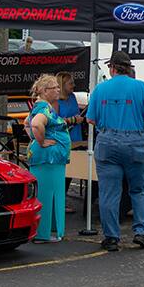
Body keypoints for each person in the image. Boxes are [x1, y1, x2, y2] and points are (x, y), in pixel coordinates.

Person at [86, 51, 144, 252]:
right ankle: (142, 232)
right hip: (136, 140)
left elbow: (90, 119)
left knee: (109, 192)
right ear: (129, 68)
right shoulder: (141, 87)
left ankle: (111, 237)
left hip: (108, 141)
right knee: (141, 189)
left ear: (111, 68)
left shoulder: (100, 89)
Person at [25, 74, 71, 243]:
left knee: (49, 192)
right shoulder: (43, 108)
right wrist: (41, 141)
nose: (58, 90)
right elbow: (36, 124)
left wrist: (34, 140)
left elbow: (26, 123)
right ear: (45, 91)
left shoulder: (40, 106)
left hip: (49, 158)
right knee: (48, 193)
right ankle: (44, 233)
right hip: (49, 159)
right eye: (55, 88)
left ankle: (48, 231)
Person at [56, 71, 84, 214]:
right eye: (70, 83)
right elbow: (55, 121)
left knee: (72, 169)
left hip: (75, 138)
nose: (73, 85)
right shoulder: (56, 102)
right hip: (62, 138)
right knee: (63, 172)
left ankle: (62, 199)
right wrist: (72, 120)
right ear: (62, 85)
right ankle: (59, 201)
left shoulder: (72, 97)